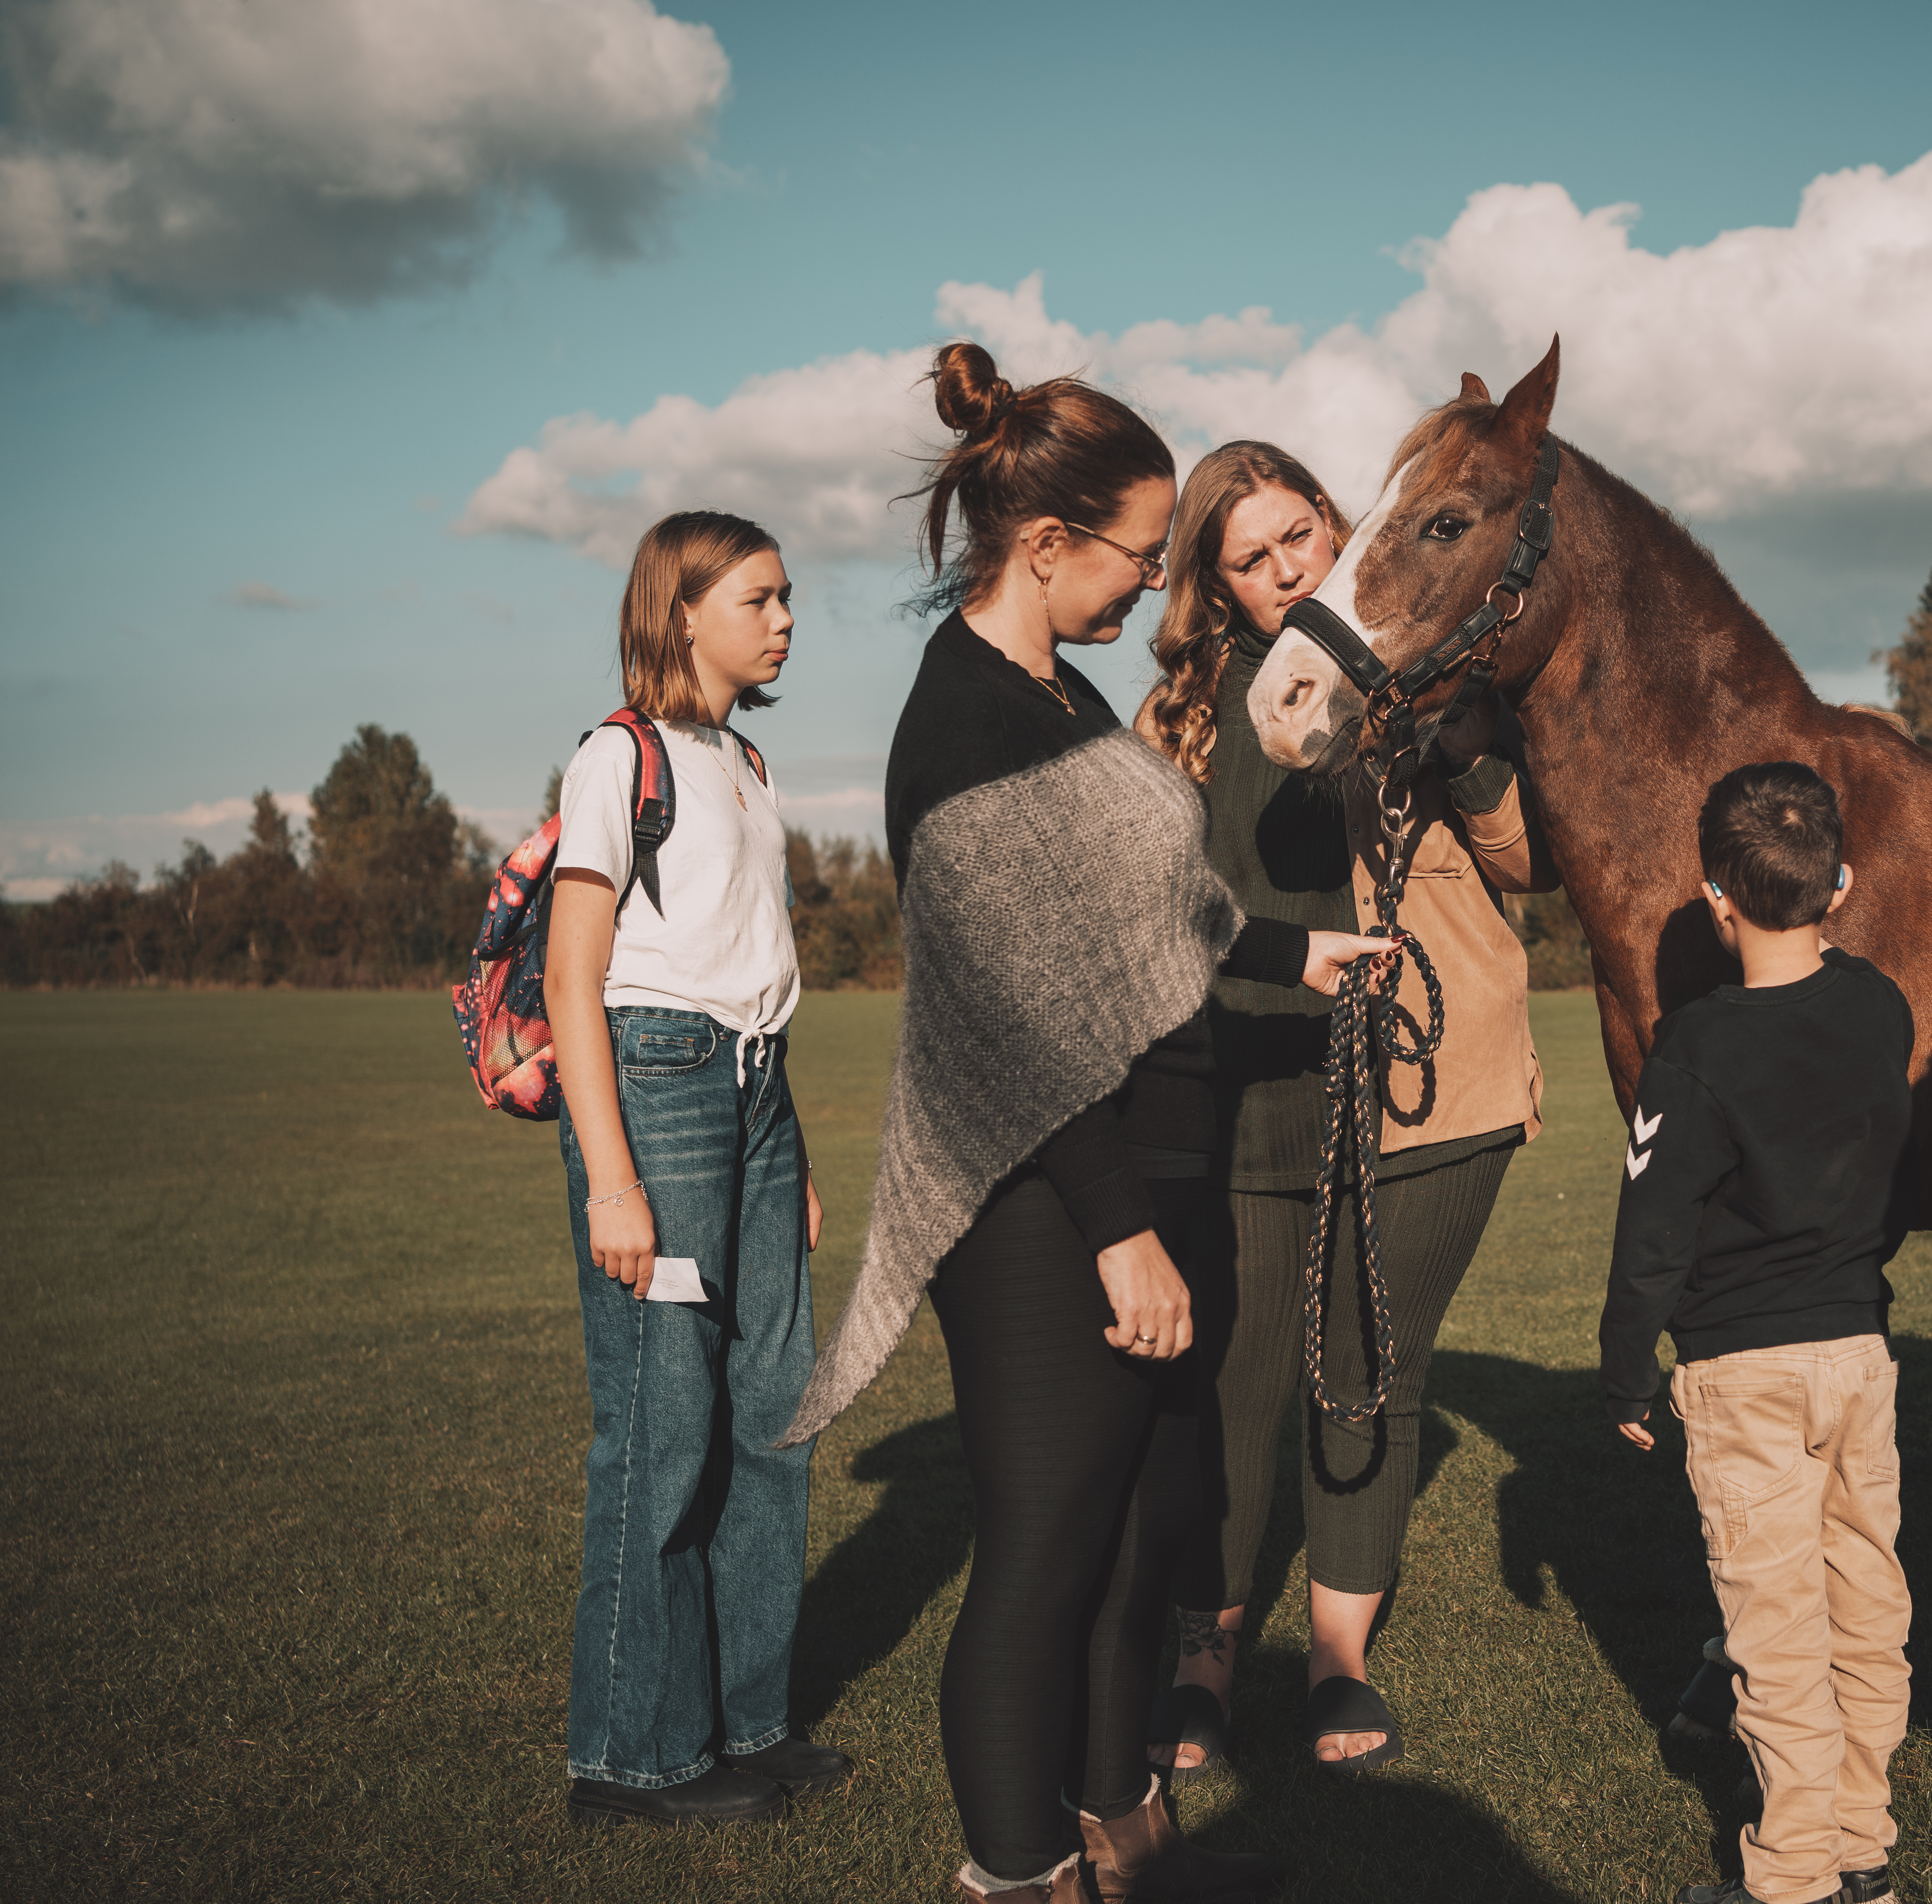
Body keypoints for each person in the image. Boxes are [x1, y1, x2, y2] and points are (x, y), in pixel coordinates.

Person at [776, 350, 1380, 1904]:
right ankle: (1017, 1868)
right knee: (1047, 1549)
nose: (1151, 581)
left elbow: (1144, 908)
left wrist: (1285, 953)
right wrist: (1119, 1233)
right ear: (1046, 546)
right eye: (1139, 549)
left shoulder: (1062, 688)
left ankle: (1122, 1822)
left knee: (1132, 1533)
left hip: (1135, 1159)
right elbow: (1013, 1014)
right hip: (1045, 1197)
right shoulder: (962, 724)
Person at [1135, 442, 1557, 1772]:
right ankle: (1205, 1659)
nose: (1282, 574)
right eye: (1249, 561)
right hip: (1243, 1082)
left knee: (1369, 1368)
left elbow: (1529, 864)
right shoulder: (1181, 717)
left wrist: (1477, 755)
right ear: (1213, 582)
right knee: (1236, 1379)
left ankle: (1334, 1659)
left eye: (1297, 539)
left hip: (1424, 1085)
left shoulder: (1415, 664)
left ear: (1333, 524)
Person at [544, 509, 851, 1827]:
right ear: (682, 611)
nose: (786, 620)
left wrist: (793, 1151)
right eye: (761, 599)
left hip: (755, 1093)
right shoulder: (617, 759)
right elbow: (572, 979)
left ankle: (747, 1724)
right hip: (657, 1088)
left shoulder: (747, 760)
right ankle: (630, 1760)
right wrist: (614, 1182)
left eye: (789, 598)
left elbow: (755, 966)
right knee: (664, 1430)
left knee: (774, 1417)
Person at [1600, 762, 1918, 1904]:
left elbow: (1654, 1227)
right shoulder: (1882, 1006)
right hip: (1859, 1358)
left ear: (1715, 895)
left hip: (1745, 1375)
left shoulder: (1692, 1046)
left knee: (1776, 1635)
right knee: (1868, 1609)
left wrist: (1627, 1369)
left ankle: (1791, 1879)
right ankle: (1861, 1848)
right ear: (1838, 884)